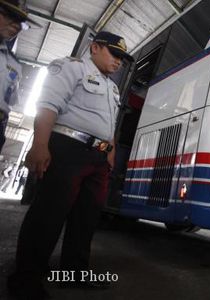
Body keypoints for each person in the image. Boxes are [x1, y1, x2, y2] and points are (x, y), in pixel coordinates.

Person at [7, 31, 133, 299]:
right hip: (68, 150)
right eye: (115, 54)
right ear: (95, 47)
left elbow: (108, 123)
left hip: (98, 158)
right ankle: (25, 281)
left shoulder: (112, 87)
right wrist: (40, 144)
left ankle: (74, 273)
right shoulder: (71, 67)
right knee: (48, 215)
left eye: (122, 58)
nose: (119, 62)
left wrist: (109, 151)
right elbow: (48, 105)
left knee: (86, 218)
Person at [0, 0, 36, 151]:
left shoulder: (13, 64)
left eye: (21, 22)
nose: (16, 25)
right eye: (10, 16)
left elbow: (10, 100)